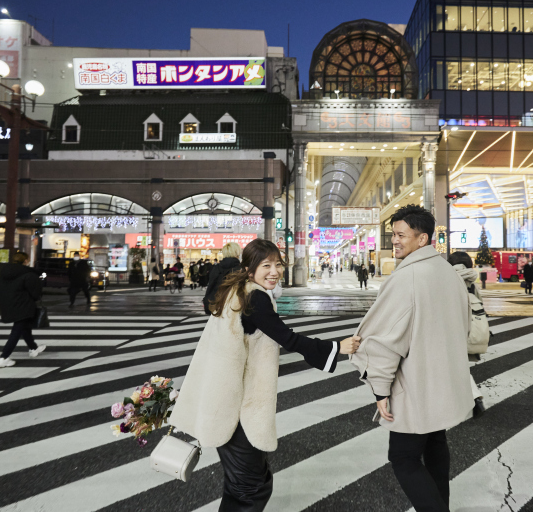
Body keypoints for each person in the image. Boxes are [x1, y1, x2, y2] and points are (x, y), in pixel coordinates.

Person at [170, 239, 361, 510]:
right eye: (266, 265)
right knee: (251, 488)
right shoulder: (254, 296)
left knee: (244, 485)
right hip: (235, 408)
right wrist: (336, 347)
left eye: (278, 265)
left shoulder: (238, 291)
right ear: (249, 269)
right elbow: (287, 338)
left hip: (225, 401)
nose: (274, 271)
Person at [350, 205, 473, 512]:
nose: (395, 240)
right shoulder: (448, 272)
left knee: (404, 457)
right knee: (434, 445)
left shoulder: (408, 278)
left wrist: (380, 388)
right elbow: (465, 325)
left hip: (416, 385)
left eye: (401, 234)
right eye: (393, 234)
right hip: (443, 380)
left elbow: (385, 340)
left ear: (423, 239)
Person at [0, 252, 46, 368]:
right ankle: (3, 357)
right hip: (24, 306)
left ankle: (33, 348)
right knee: (17, 331)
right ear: (25, 261)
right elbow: (36, 294)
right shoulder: (28, 274)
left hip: (8, 306)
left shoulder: (4, 274)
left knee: (24, 327)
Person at [448, 251, 487, 419]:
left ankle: (474, 397)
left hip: (451, 327)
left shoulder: (449, 279)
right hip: (468, 328)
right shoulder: (471, 280)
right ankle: (471, 398)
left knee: (452, 363)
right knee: (456, 363)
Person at [203, 242, 243, 315]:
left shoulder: (216, 268)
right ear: (237, 253)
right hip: (234, 309)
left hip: (216, 306)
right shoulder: (240, 270)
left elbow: (211, 286)